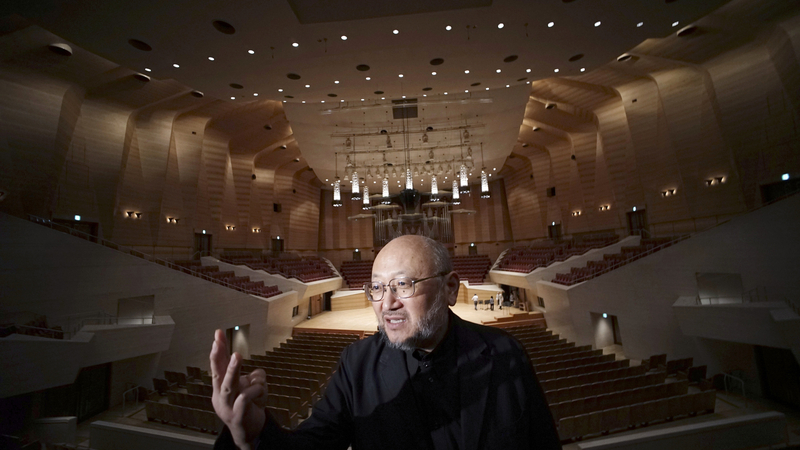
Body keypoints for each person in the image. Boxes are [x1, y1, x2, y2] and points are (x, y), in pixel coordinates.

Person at [210, 235, 561, 450]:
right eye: (377, 287)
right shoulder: (356, 366)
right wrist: (256, 431)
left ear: (450, 288)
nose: (387, 302)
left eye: (403, 284)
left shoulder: (506, 353)